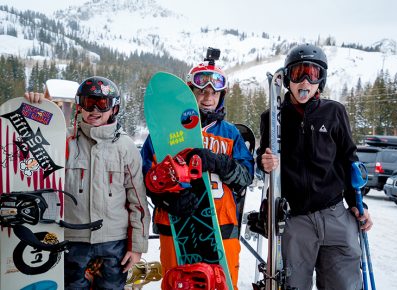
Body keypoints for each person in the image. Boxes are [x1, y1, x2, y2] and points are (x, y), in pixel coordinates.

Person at [256, 43, 373, 290]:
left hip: (335, 215)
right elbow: (262, 159)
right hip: (295, 220)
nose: (306, 81)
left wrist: (356, 205)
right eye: (299, 74)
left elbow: (348, 160)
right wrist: (264, 162)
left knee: (344, 283)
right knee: (293, 285)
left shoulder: (334, 112)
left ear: (322, 79)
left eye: (314, 73)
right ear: (288, 78)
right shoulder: (273, 117)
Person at [25, 76, 150, 290]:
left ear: (114, 108)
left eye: (102, 103)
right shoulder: (63, 141)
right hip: (72, 241)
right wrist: (31, 109)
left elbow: (137, 200)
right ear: (79, 105)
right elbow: (30, 151)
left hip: (113, 245)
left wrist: (137, 246)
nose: (94, 109)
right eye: (87, 101)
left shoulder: (125, 146)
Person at [141, 53, 254, 290]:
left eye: (214, 92)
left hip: (221, 229)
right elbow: (146, 178)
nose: (208, 97)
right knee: (177, 283)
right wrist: (167, 199)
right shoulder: (162, 133)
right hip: (177, 228)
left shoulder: (231, 134)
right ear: (191, 92)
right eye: (201, 91)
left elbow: (246, 176)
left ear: (222, 95)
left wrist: (219, 162)